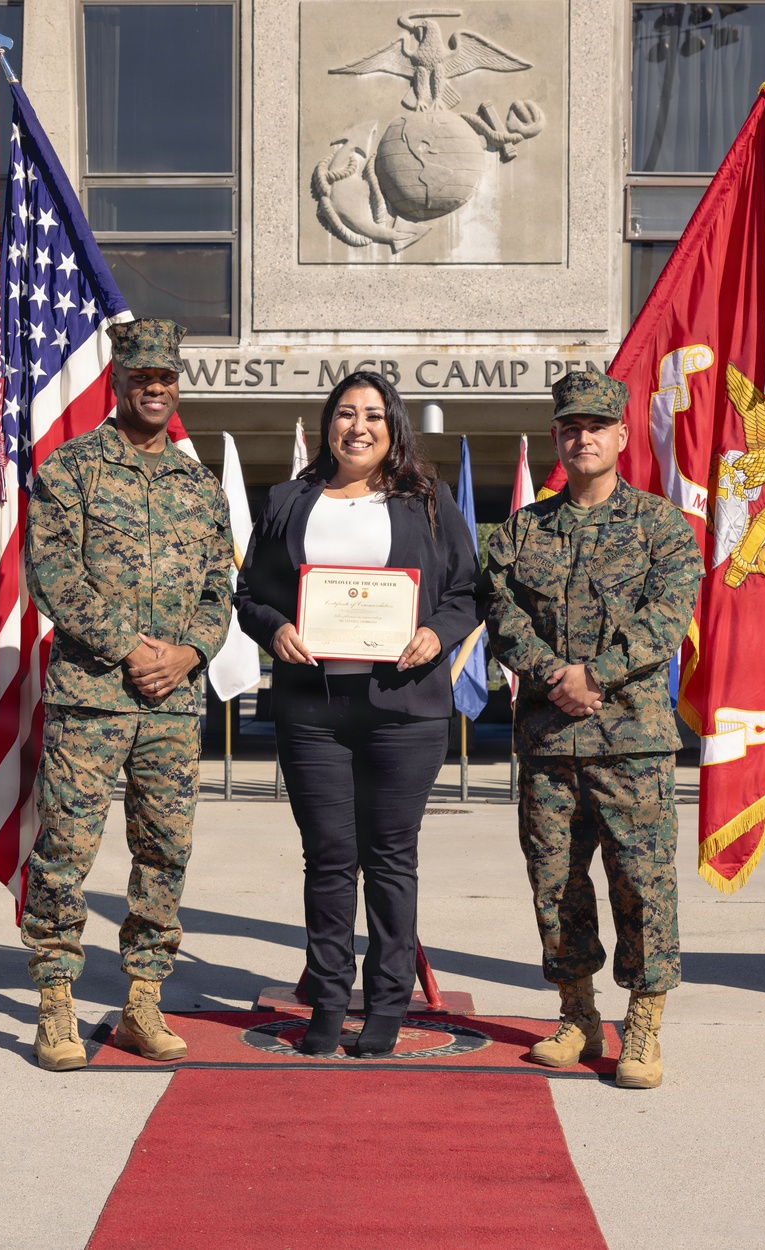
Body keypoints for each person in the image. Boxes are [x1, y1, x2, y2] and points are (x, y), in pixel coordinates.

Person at [235, 371, 480, 1058]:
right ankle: (329, 998)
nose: (359, 426)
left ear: (393, 425)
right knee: (329, 861)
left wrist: (437, 632)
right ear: (328, 424)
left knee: (391, 859)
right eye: (346, 413)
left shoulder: (427, 500)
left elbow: (467, 590)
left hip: (404, 709)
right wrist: (274, 626)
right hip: (313, 709)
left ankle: (387, 1004)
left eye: (373, 414)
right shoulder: (289, 499)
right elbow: (248, 592)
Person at [21, 318, 233, 1072]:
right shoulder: (71, 469)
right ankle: (55, 1000)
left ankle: (143, 998)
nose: (154, 387)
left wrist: (186, 651)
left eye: (165, 377)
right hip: (92, 699)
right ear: (119, 382)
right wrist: (131, 648)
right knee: (65, 852)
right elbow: (51, 574)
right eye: (141, 376)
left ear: (178, 384)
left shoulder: (199, 486)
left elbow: (219, 588)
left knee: (164, 853)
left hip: (172, 705)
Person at [485, 369, 702, 1089]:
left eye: (596, 427)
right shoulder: (522, 530)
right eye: (571, 427)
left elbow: (666, 621)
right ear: (557, 438)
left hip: (631, 741)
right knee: (556, 883)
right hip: (549, 741)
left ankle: (642, 1024)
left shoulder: (661, 525)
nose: (583, 438)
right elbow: (502, 616)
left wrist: (596, 676)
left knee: (642, 882)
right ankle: (576, 1013)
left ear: (620, 435)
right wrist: (554, 674)